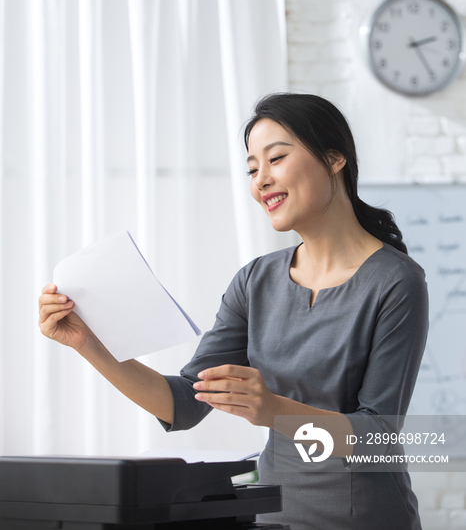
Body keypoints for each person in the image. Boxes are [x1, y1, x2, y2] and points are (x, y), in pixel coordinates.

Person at [39, 93, 429, 530]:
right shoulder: (255, 281)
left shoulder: (396, 281)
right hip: (270, 517)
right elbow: (183, 404)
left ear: (334, 158)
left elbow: (377, 436)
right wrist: (89, 344)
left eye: (276, 158)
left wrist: (273, 410)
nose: (260, 180)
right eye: (251, 168)